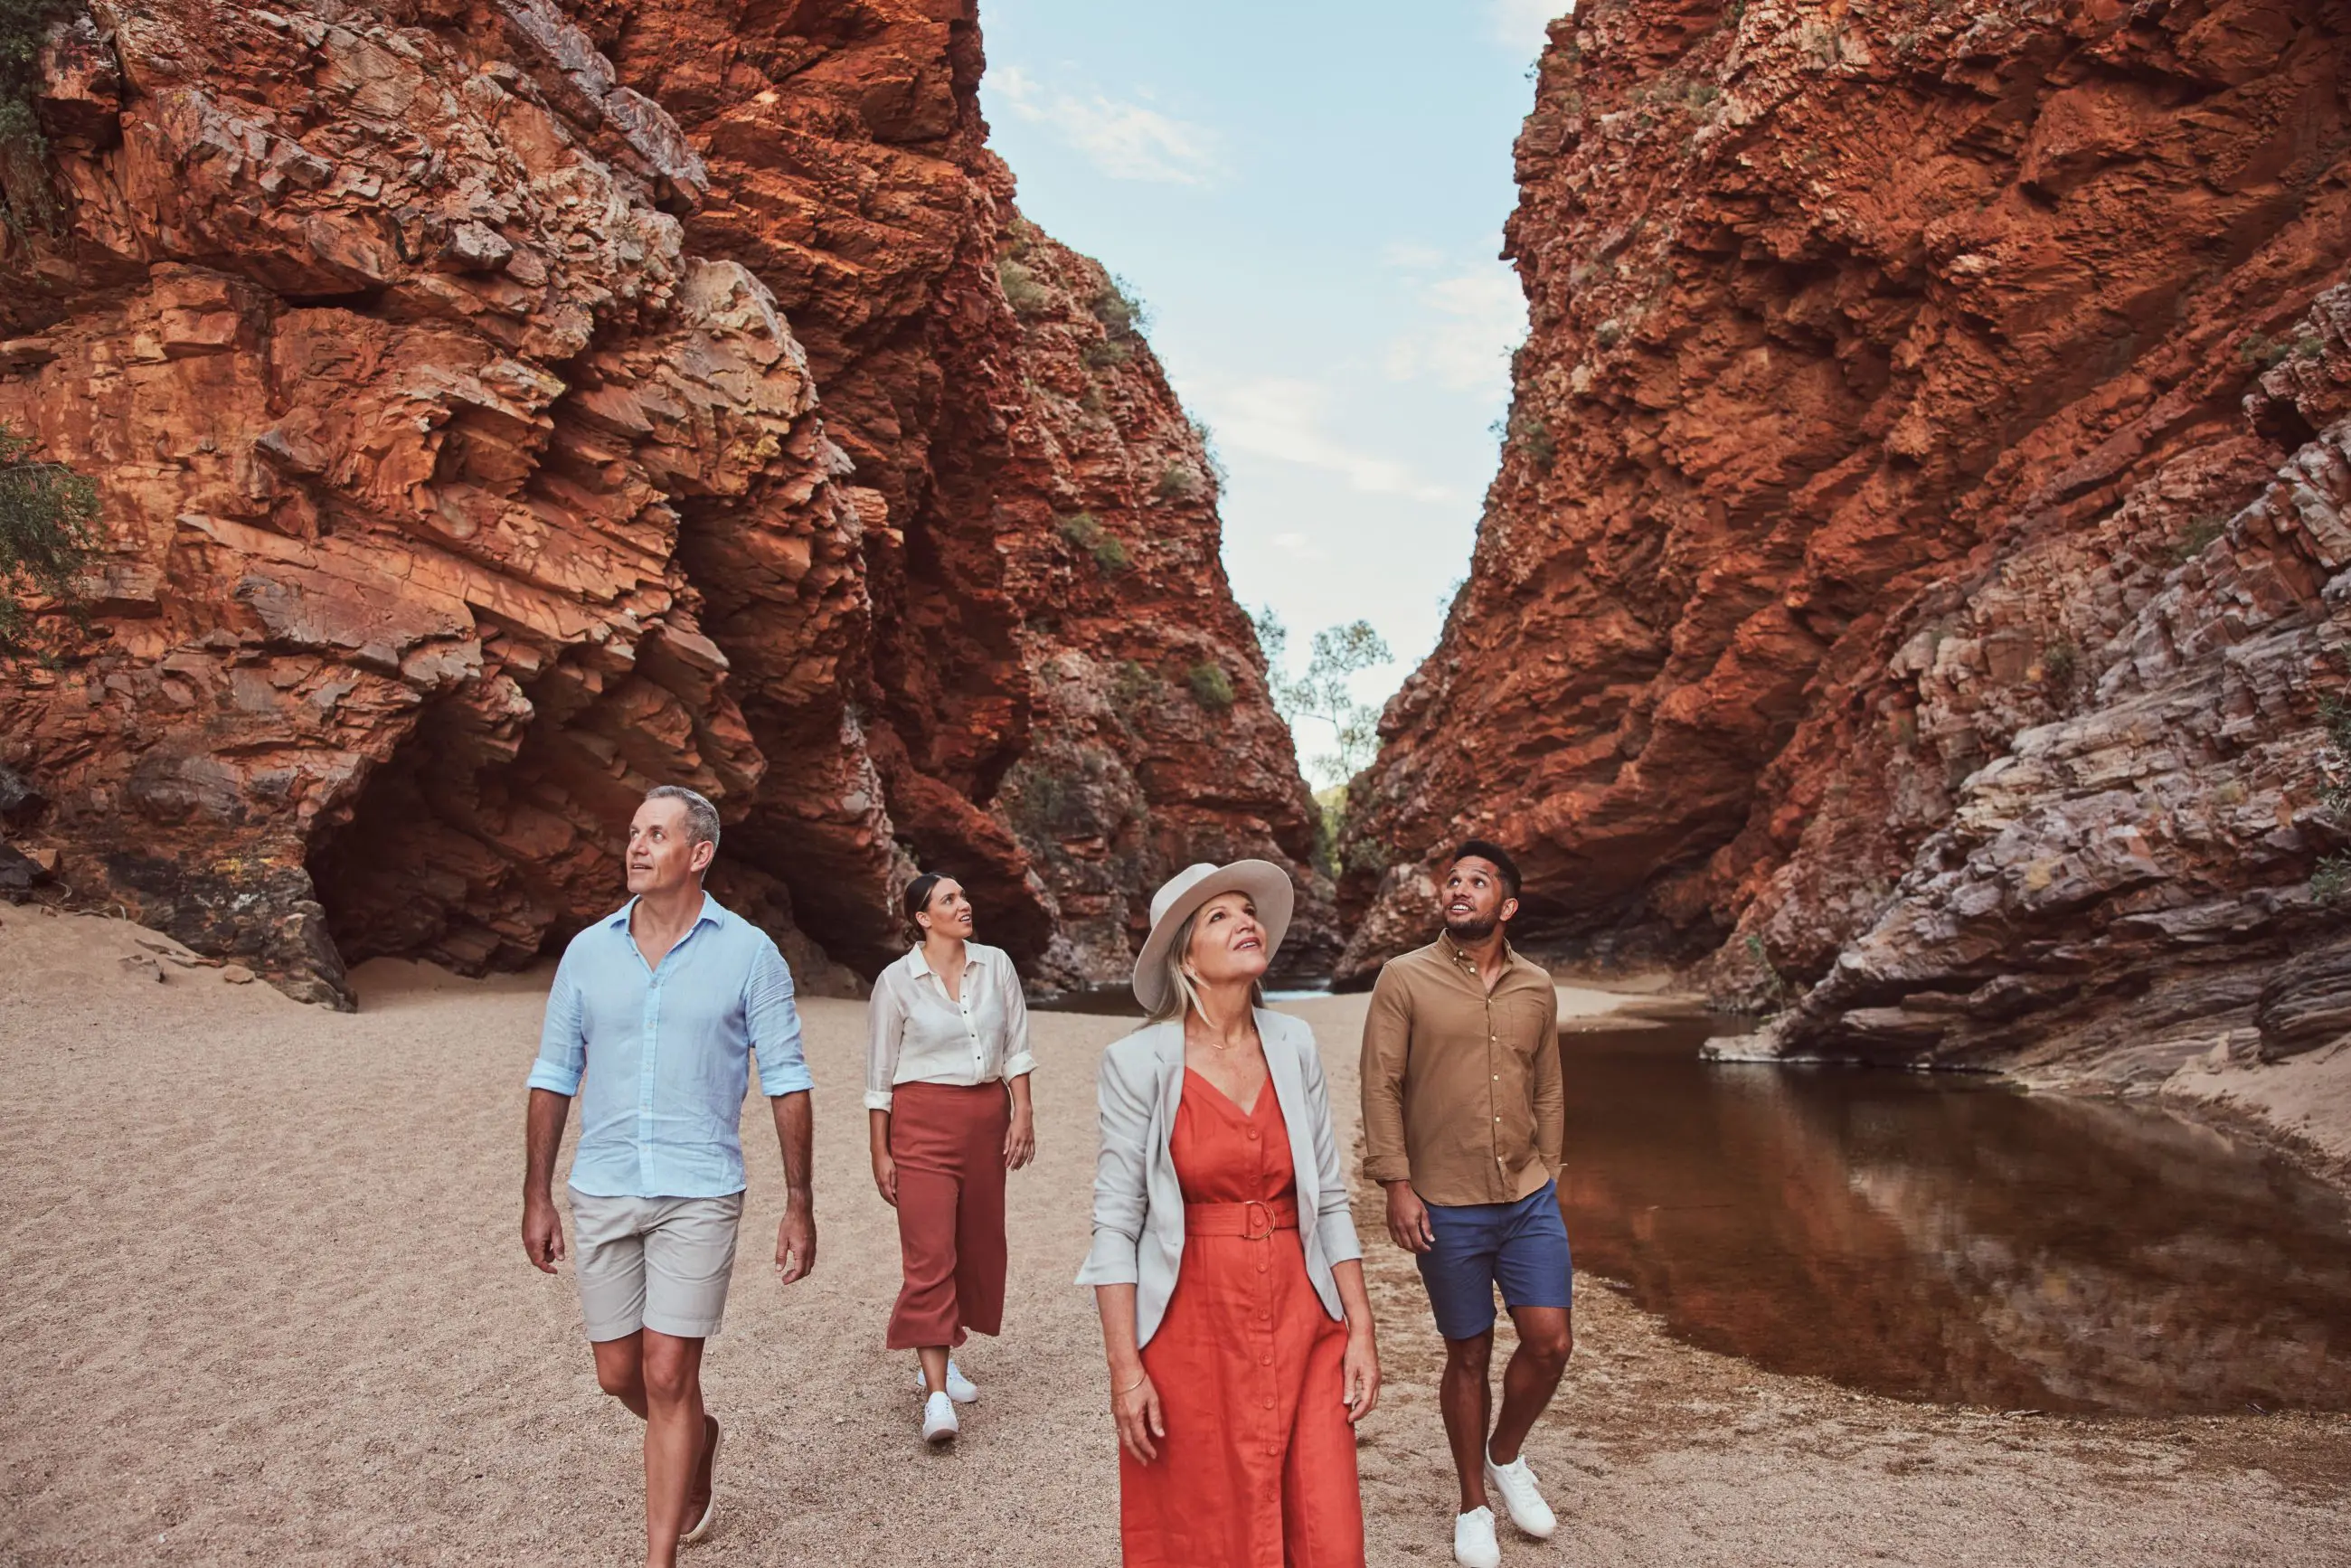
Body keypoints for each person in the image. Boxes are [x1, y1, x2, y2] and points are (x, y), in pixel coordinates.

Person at [521, 785, 817, 1567]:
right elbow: (553, 1074)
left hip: (701, 1189)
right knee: (618, 1372)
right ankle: (698, 1435)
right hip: (605, 1183)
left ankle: (659, 1558)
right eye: (633, 833)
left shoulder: (751, 953)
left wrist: (799, 1203)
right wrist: (536, 1194)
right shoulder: (588, 952)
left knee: (666, 1370)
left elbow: (787, 1079)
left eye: (657, 834)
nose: (637, 846)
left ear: (700, 854)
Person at [1080, 860, 1381, 1567]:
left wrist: (1360, 1325)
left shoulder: (1294, 1042)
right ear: (1186, 952)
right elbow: (1115, 1225)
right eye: (1220, 916)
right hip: (1191, 1325)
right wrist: (1126, 1371)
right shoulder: (1135, 1061)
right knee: (1209, 1524)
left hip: (1305, 1310)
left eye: (1247, 910)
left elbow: (1329, 1196)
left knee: (1325, 1526)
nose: (1245, 921)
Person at [1360, 840, 1569, 1568]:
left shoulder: (1536, 987)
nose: (1461, 889)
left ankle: (1507, 1456)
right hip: (1444, 1202)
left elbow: (1546, 1084)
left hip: (1527, 1195)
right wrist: (1395, 1182)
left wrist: (1553, 1166)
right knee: (1469, 1350)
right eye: (1454, 881)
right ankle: (1472, 1502)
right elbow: (1381, 1085)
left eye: (1478, 883)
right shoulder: (1402, 978)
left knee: (1551, 1342)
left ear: (1505, 906)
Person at [866, 871, 1038, 1444]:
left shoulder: (997, 965)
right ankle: (936, 1396)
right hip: (919, 1126)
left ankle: (945, 1353)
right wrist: (880, 1150)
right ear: (922, 917)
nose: (964, 904)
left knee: (976, 1243)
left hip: (985, 1120)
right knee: (929, 1251)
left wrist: (1023, 1112)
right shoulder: (894, 983)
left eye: (964, 895)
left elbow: (1015, 1046)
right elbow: (879, 1076)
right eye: (949, 899)